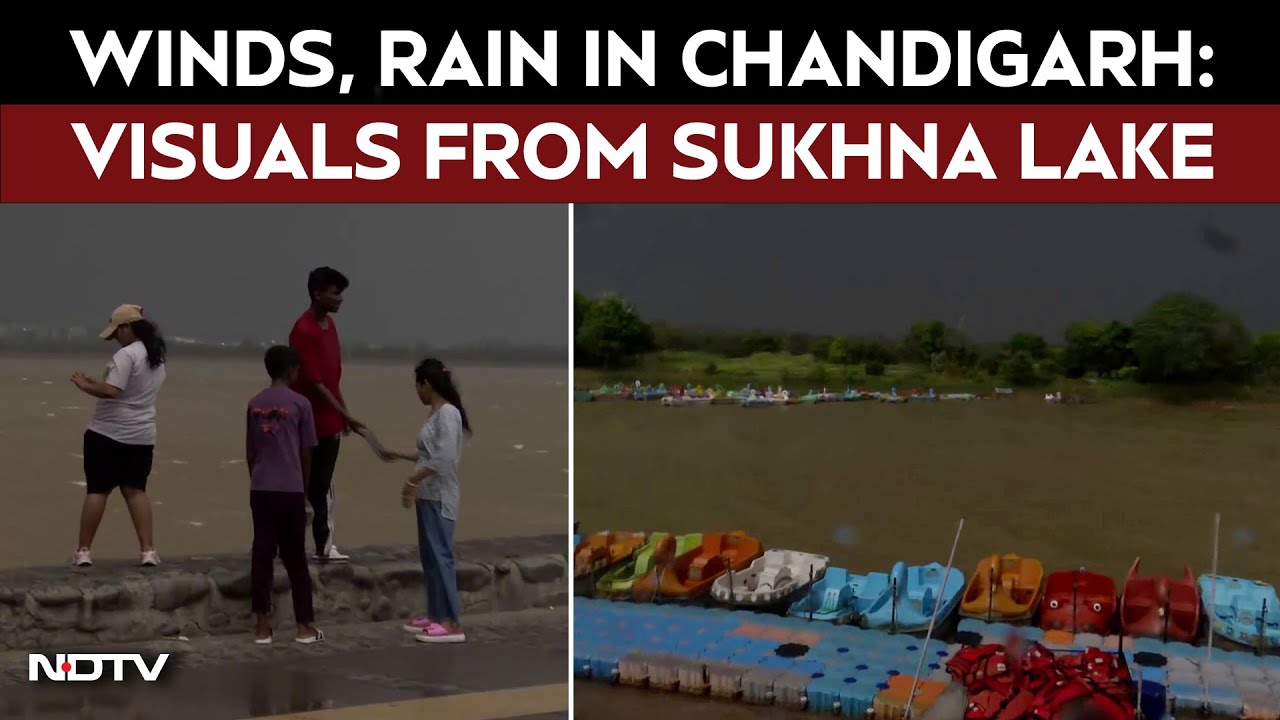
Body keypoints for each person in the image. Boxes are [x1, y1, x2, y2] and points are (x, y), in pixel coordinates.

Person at [378, 358, 470, 644]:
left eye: (418, 387)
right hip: (427, 495)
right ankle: (435, 614)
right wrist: (398, 455)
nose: (417, 393)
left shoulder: (448, 414)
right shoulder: (436, 414)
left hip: (440, 496)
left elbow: (444, 460)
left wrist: (412, 482)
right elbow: (428, 454)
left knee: (441, 556)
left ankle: (451, 623)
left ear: (427, 384)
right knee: (430, 558)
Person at [70, 304, 167, 567]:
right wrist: (97, 383)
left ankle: (83, 552)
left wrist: (84, 385)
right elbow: (131, 390)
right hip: (142, 434)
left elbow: (112, 391)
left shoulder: (126, 355)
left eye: (116, 332)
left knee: (97, 490)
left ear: (127, 328)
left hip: (107, 432)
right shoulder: (155, 356)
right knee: (136, 491)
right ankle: (148, 551)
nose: (115, 339)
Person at [246, 346, 323, 645]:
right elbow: (306, 452)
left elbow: (250, 451)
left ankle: (262, 627)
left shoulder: (254, 404)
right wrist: (305, 492)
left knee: (262, 555)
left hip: (261, 487)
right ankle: (304, 626)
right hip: (291, 488)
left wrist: (256, 478)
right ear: (292, 371)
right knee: (295, 558)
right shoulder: (301, 404)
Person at [289, 266, 365, 564]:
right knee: (300, 486)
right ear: (317, 293)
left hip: (330, 422)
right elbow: (314, 382)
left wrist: (344, 415)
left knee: (323, 488)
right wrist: (345, 413)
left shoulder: (330, 326)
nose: (340, 299)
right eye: (335, 293)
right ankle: (290, 544)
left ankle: (324, 545)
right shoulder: (303, 330)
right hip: (307, 422)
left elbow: (332, 380)